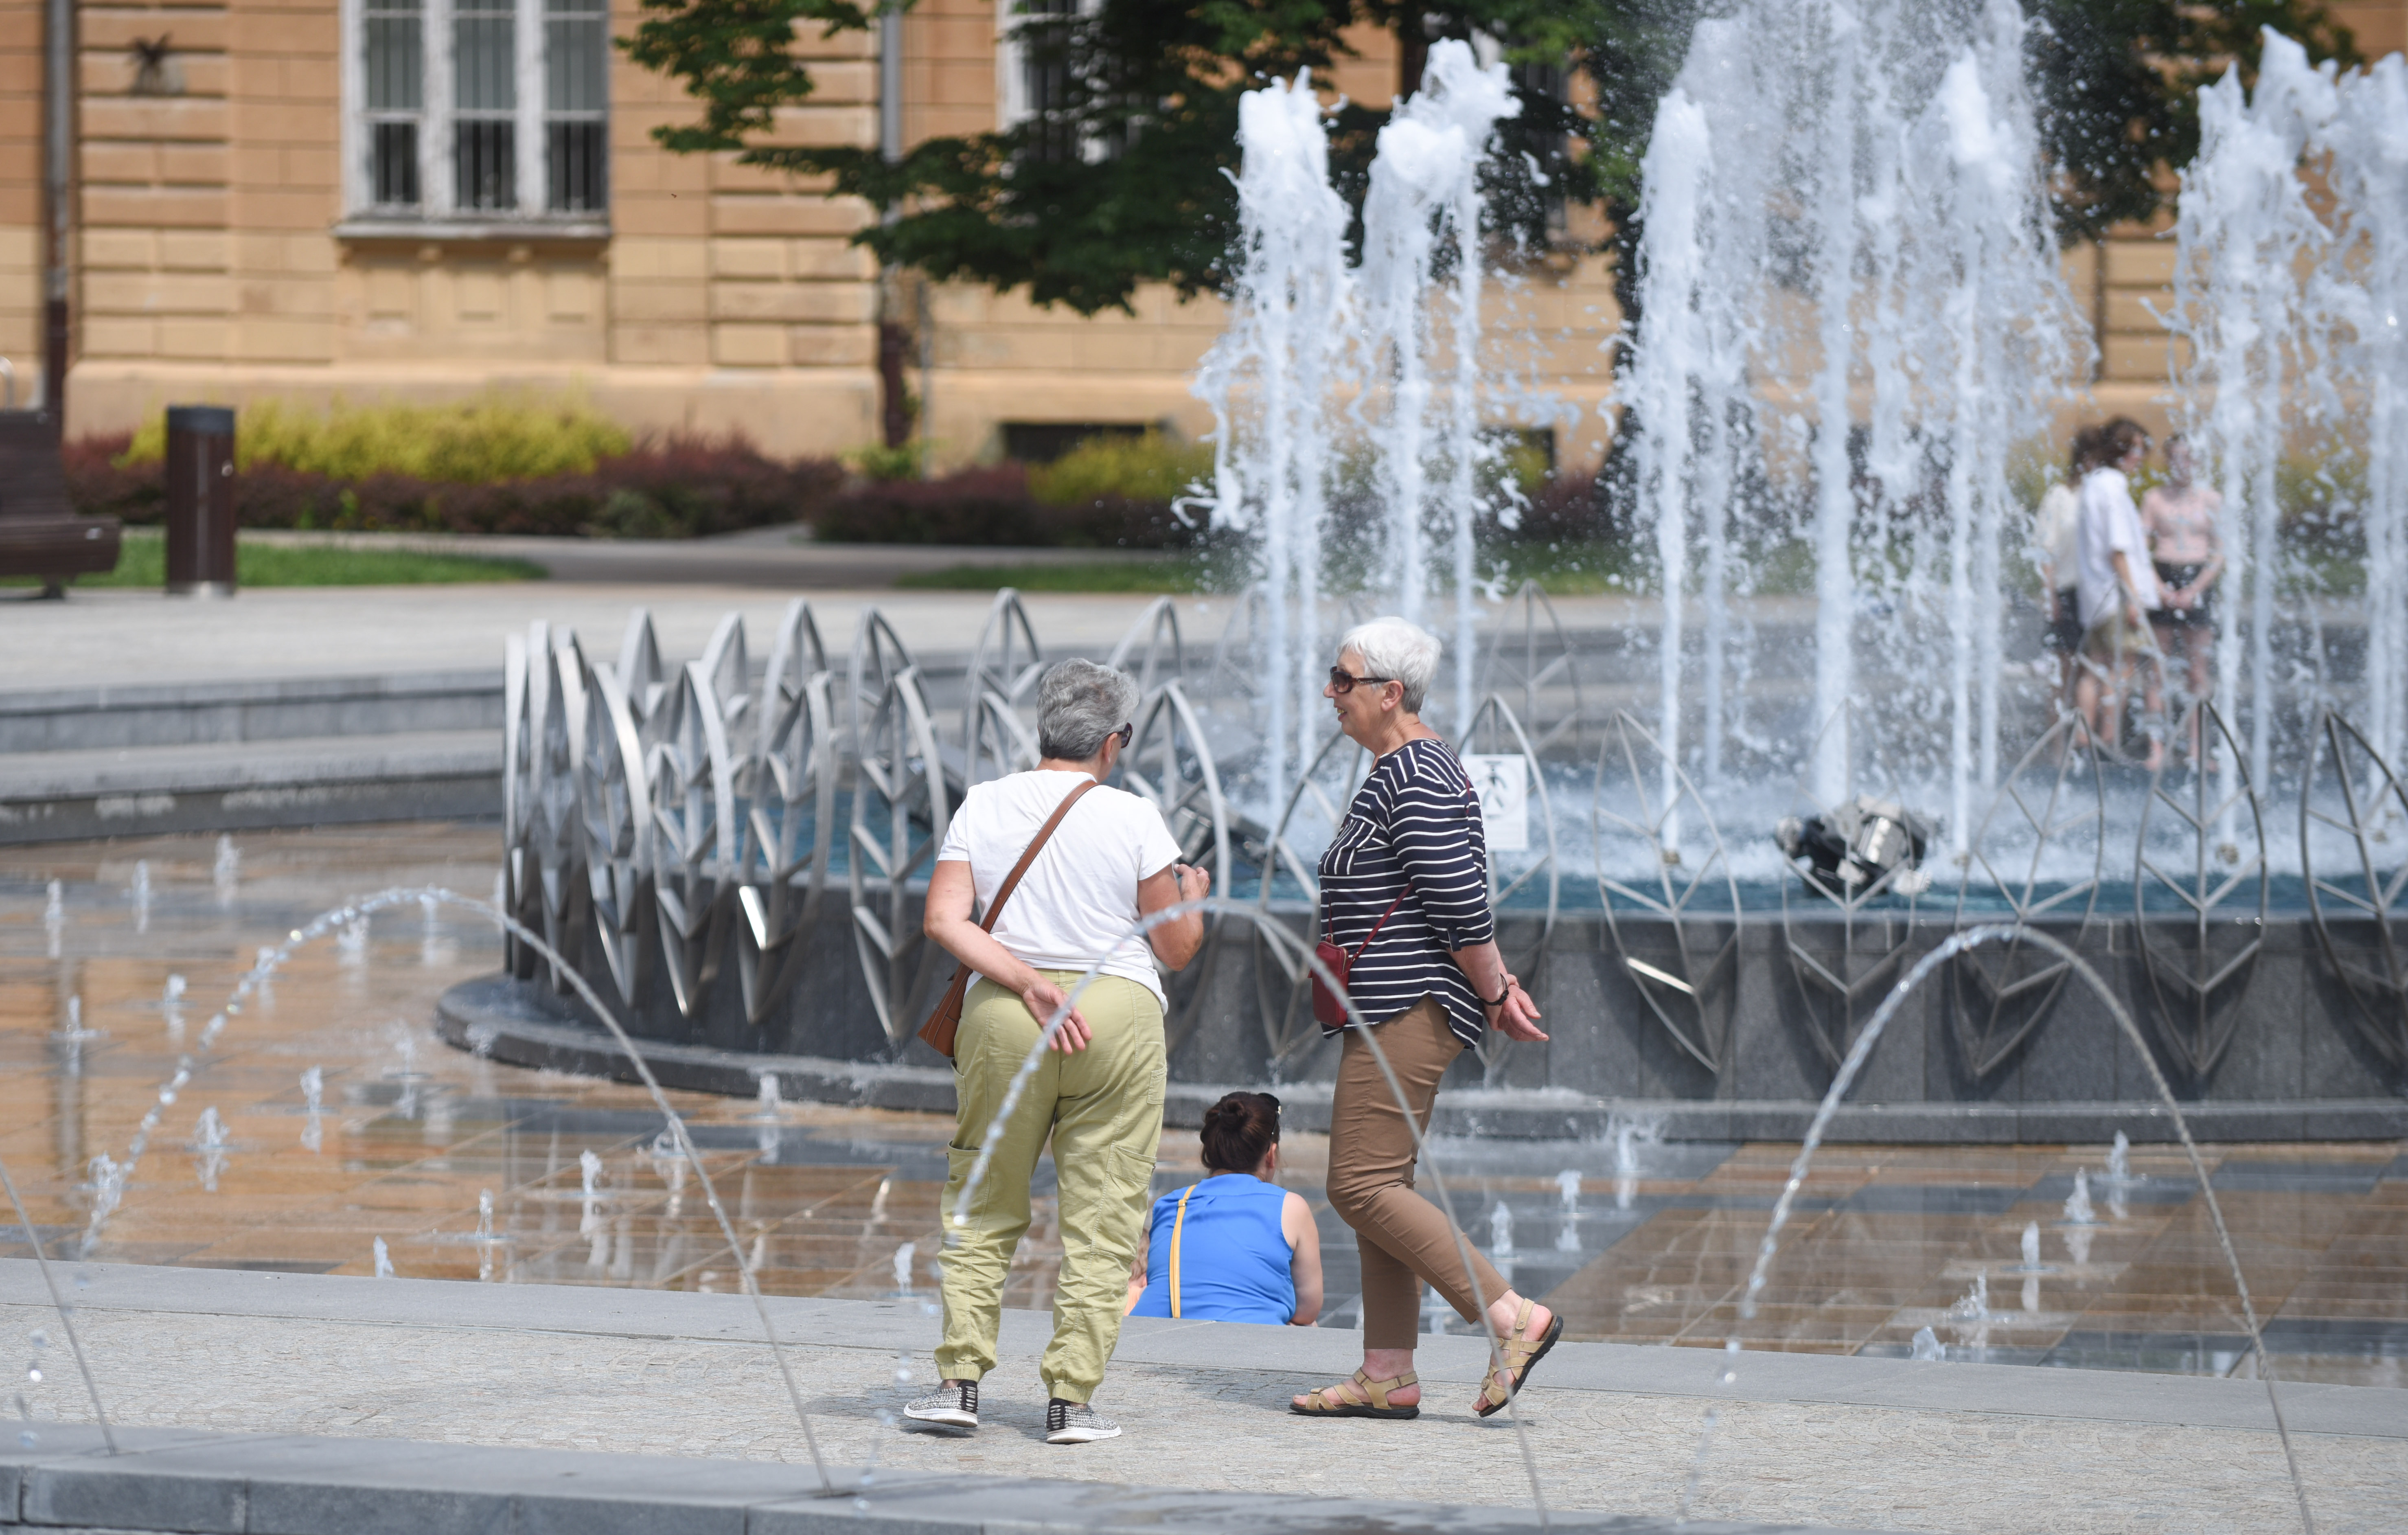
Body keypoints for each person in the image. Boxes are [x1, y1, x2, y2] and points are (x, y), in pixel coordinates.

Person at [906, 658, 1212, 1445]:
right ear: (1116, 740)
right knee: (1105, 1213)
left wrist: (1028, 982)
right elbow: (1176, 948)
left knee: (982, 1199)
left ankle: (958, 1385)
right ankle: (1071, 1402)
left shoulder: (983, 803)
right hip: (1117, 1016)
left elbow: (944, 920)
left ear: (1041, 727)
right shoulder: (1136, 817)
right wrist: (1194, 900)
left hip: (1008, 1017)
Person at [1290, 617, 1557, 1423]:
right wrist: (1494, 988)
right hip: (1394, 1003)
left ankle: (1512, 1316)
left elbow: (1459, 902)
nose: (1330, 693)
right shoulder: (1404, 769)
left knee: (1359, 1184)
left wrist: (1493, 991)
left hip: (1408, 1005)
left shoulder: (1416, 772)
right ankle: (1387, 1372)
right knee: (1383, 1186)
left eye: (1344, 680)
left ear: (1390, 693)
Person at [1125, 1092, 1323, 1326]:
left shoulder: (1171, 1205)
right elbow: (1307, 1311)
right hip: (1243, 1341)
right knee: (1308, 1327)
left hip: (1155, 1336)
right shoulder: (1292, 1208)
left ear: (1209, 1152)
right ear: (1271, 1155)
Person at [2073, 417, 2165, 770]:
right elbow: (2119, 548)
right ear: (2121, 450)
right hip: (2115, 594)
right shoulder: (2112, 488)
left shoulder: (2092, 485)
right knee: (2120, 668)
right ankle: (2106, 741)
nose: (2141, 458)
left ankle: (2084, 742)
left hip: (2095, 592)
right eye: (2138, 449)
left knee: (2095, 667)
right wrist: (2133, 597)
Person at [2142, 434, 2224, 765]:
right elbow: (2141, 549)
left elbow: (2219, 553)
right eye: (2176, 457)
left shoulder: (2211, 499)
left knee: (2197, 672)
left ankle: (2196, 747)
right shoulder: (2154, 498)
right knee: (2156, 669)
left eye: (2189, 457)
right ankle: (2155, 747)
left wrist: (2196, 590)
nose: (2183, 464)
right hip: (2164, 574)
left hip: (2197, 578)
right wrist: (2159, 588)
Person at [2033, 438, 2086, 708]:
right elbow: (2045, 550)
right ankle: (2059, 733)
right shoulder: (2059, 496)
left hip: (2098, 595)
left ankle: (2086, 731)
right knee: (2064, 674)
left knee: (2093, 674)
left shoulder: (2101, 495)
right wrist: (2050, 594)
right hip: (2067, 591)